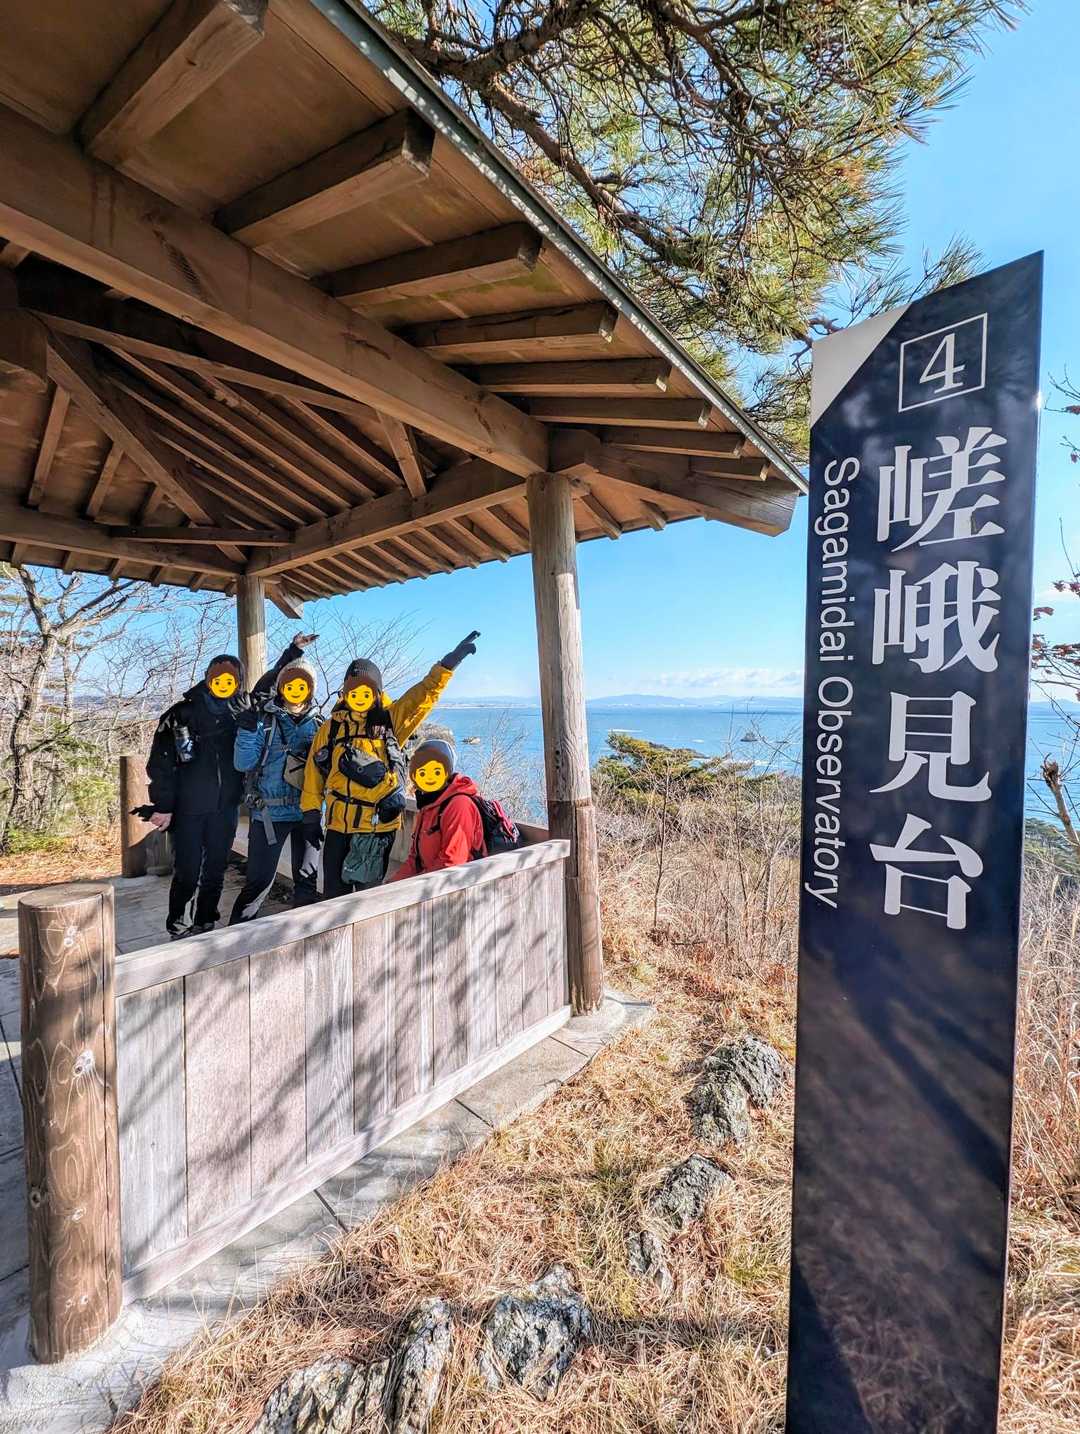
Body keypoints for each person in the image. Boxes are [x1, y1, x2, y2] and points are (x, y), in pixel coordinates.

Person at [145, 637, 312, 939]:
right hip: (187, 807)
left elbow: (271, 684)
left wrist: (293, 652)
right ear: (208, 679)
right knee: (187, 870)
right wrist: (163, 804)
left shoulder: (243, 708)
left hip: (227, 805)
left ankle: (206, 920)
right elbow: (160, 762)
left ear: (238, 681)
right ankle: (179, 927)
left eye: (231, 679)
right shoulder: (181, 713)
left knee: (215, 869)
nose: (224, 684)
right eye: (218, 679)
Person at [300, 632, 479, 895]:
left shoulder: (390, 721)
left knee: (368, 898)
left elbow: (422, 696)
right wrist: (311, 813)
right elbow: (314, 771)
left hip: (375, 829)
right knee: (333, 897)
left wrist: (446, 666)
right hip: (337, 827)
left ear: (377, 692)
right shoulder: (331, 727)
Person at [229, 640, 320, 924]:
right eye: (289, 684)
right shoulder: (263, 721)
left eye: (302, 685)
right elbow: (243, 763)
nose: (295, 690)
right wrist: (246, 730)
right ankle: (235, 939)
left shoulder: (319, 725)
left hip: (308, 813)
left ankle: (302, 939)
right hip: (269, 814)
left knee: (307, 883)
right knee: (258, 884)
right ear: (281, 687)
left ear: (310, 689)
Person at [390, 740, 485, 879]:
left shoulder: (459, 805)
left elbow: (452, 864)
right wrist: (392, 884)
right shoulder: (428, 804)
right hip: (429, 882)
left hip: (455, 886)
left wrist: (414, 885)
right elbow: (415, 859)